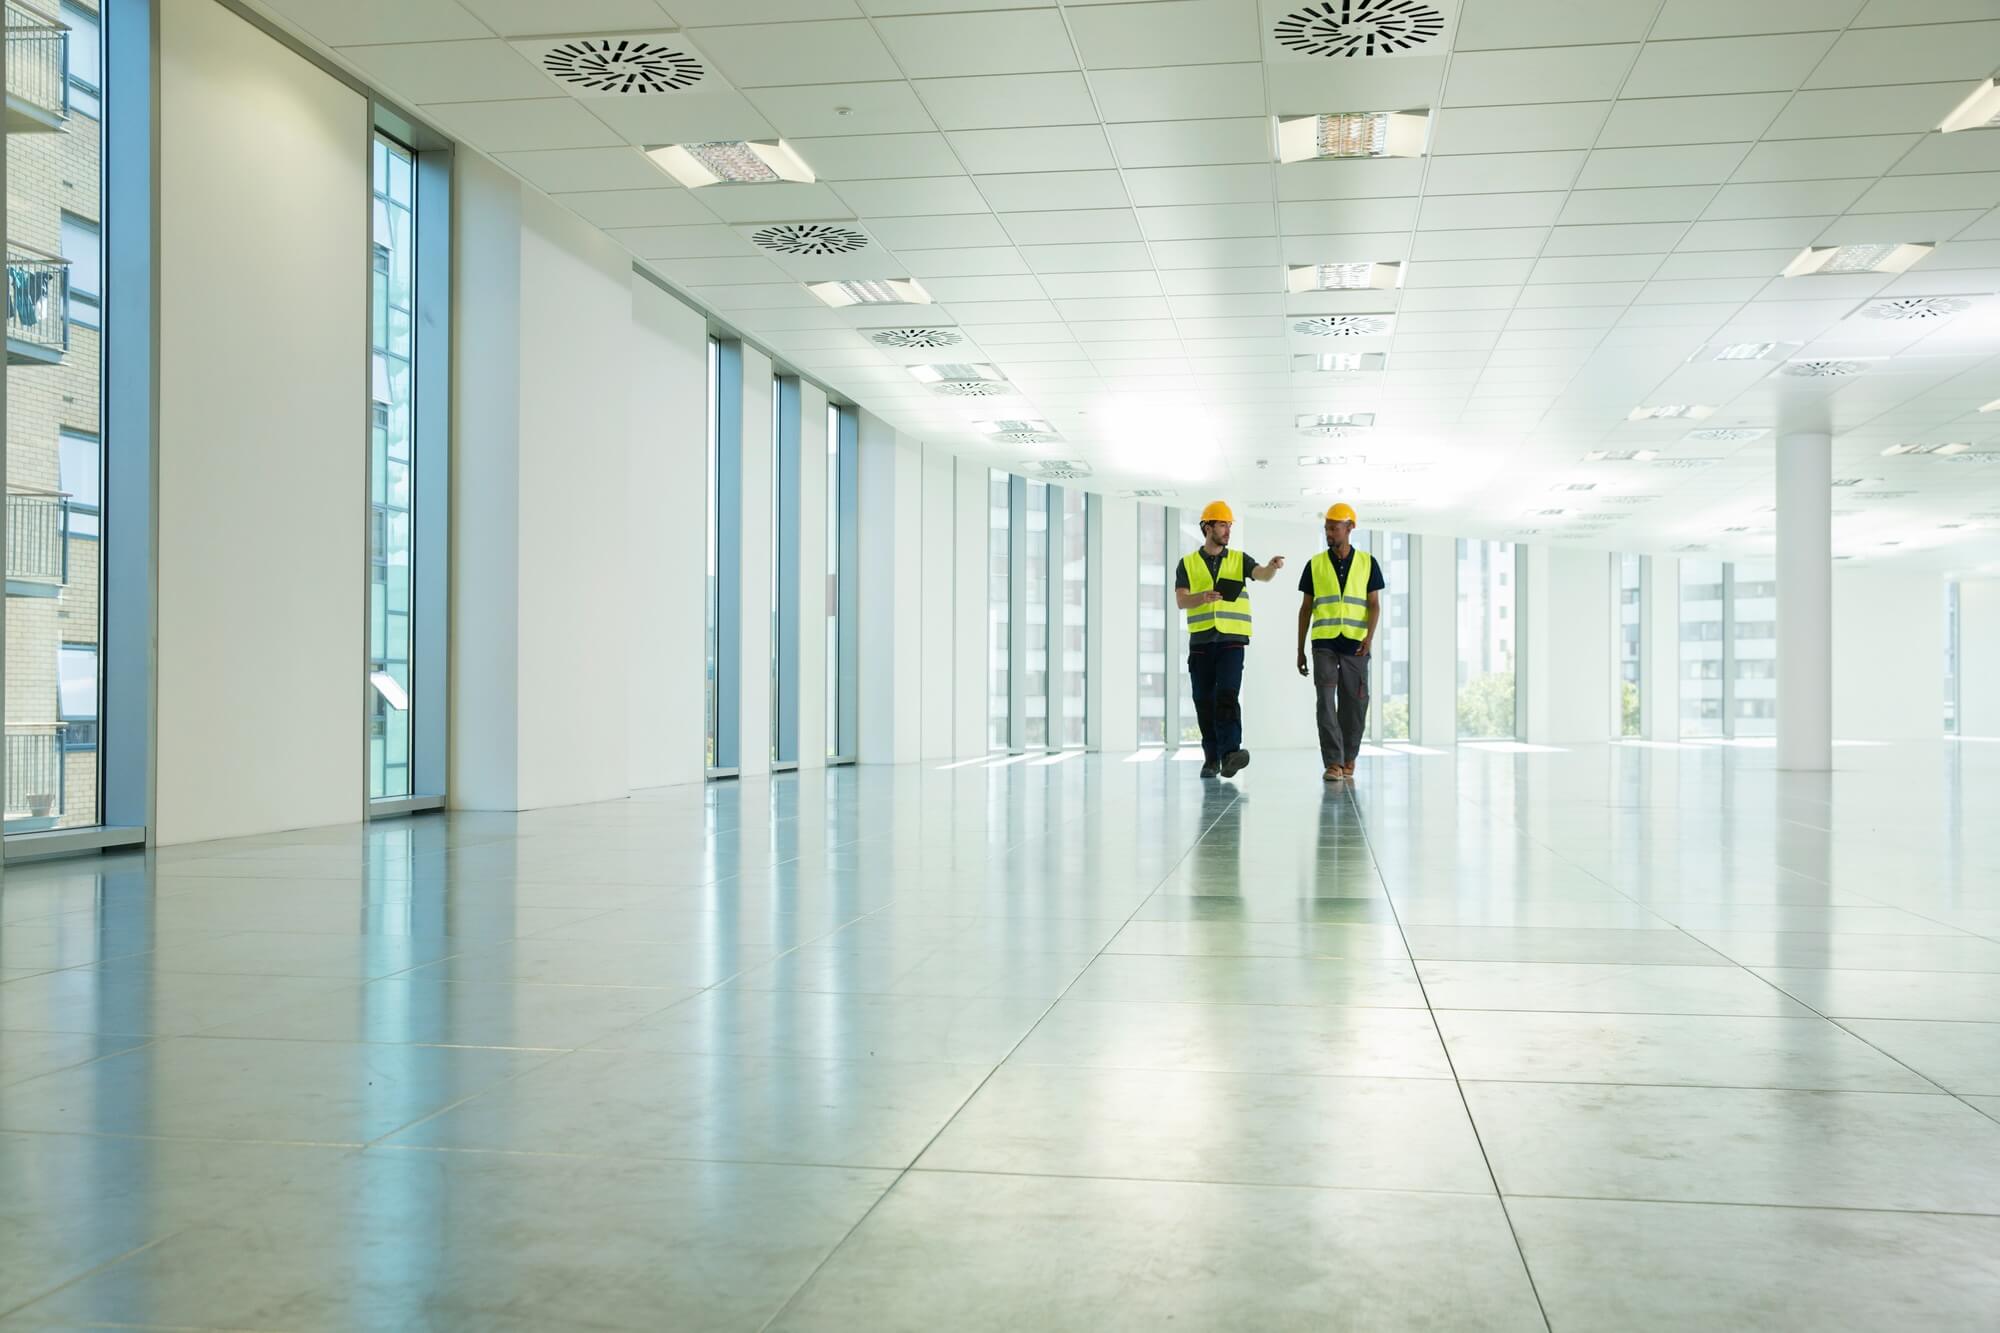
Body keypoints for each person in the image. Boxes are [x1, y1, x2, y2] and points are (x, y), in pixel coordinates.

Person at [1174, 501, 1285, 779]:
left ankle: (1230, 753)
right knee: (1203, 699)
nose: (1227, 530)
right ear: (1207, 527)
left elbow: (1261, 574)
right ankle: (1211, 757)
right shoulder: (1187, 563)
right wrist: (1202, 597)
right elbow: (1181, 600)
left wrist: (1272, 567)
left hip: (1232, 640)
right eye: (1222, 525)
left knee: (1226, 695)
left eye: (1229, 525)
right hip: (1201, 641)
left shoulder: (1239, 559)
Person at [1294, 502, 1383, 783]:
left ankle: (1349, 758)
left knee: (1355, 703)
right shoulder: (1315, 564)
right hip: (1324, 643)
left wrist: (1369, 638)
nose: (1329, 533)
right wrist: (1299, 649)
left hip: (1356, 643)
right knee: (1325, 703)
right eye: (1326, 528)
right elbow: (1305, 608)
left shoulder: (1368, 563)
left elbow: (1374, 605)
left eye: (1334, 528)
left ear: (1350, 528)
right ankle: (1333, 762)